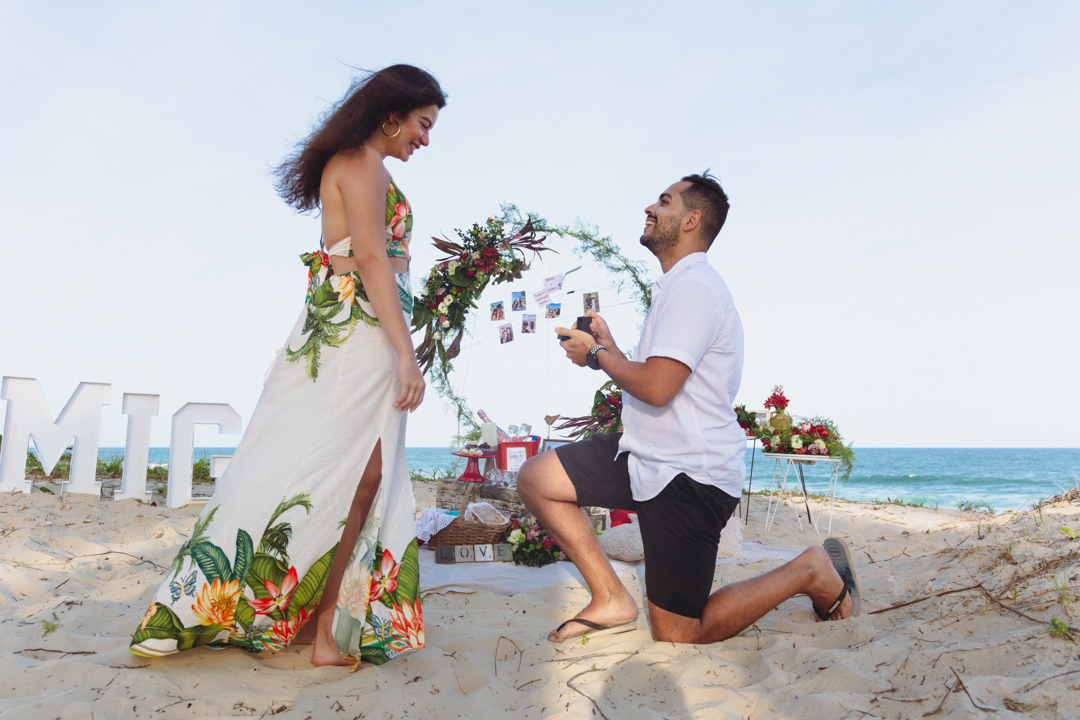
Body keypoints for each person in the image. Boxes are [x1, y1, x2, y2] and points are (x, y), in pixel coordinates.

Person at [129, 65, 446, 668]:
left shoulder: (354, 162)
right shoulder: (363, 163)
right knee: (357, 472)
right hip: (359, 333)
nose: (424, 140)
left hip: (350, 327)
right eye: (423, 125)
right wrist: (408, 353)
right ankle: (324, 628)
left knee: (355, 473)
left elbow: (363, 260)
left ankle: (318, 621)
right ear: (392, 114)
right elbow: (373, 261)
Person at [517, 172, 859, 645]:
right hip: (644, 454)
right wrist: (612, 349)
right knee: (538, 478)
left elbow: (658, 389)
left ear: (691, 220)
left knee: (679, 632)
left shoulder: (696, 288)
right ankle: (611, 598)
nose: (649, 208)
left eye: (664, 201)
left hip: (689, 476)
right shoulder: (677, 288)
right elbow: (659, 379)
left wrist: (597, 355)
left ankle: (810, 570)